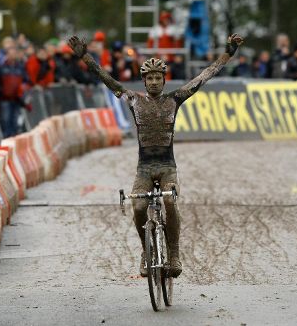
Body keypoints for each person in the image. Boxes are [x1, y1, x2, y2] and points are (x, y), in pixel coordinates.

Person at [68, 33, 244, 277]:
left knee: (170, 201)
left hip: (167, 167)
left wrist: (228, 53)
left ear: (164, 80)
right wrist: (85, 57)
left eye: (157, 78)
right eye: (149, 78)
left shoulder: (175, 99)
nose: (153, 82)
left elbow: (204, 76)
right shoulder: (133, 99)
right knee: (138, 207)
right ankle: (145, 252)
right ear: (143, 80)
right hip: (144, 169)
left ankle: (174, 254)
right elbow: (106, 79)